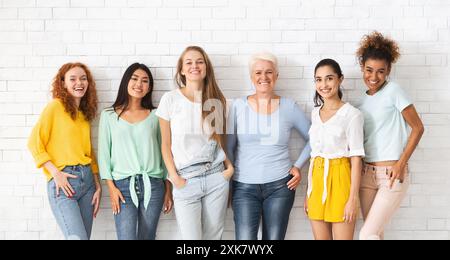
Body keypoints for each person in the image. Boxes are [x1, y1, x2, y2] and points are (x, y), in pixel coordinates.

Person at [227, 52, 311, 240]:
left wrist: (298, 166)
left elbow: (316, 138)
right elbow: (229, 148)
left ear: (276, 76)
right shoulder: (238, 106)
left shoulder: (289, 106)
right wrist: (229, 185)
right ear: (251, 77)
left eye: (269, 72)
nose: (263, 77)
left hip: (280, 186)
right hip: (244, 187)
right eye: (258, 73)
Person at [156, 46, 234, 240]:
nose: (194, 66)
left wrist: (229, 168)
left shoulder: (216, 100)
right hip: (186, 180)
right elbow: (165, 144)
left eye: (199, 61)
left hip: (216, 177)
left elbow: (219, 140)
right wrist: (174, 178)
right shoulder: (170, 99)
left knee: (213, 238)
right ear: (181, 70)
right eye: (188, 62)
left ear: (206, 67)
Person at [356, 31, 425, 240]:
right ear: (362, 67)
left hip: (391, 175)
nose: (374, 77)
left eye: (380, 71)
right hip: (366, 175)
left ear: (388, 71)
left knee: (367, 234)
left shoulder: (394, 91)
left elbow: (418, 128)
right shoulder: (361, 100)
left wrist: (401, 163)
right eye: (369, 70)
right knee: (375, 234)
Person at [98, 63, 173, 240]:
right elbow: (103, 155)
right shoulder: (108, 115)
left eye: (145, 81)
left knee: (147, 237)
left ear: (149, 87)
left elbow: (165, 152)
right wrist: (111, 188)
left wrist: (168, 189)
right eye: (135, 79)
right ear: (126, 81)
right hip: (122, 186)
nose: (139, 84)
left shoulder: (156, 116)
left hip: (154, 185)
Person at [28, 62, 101, 240]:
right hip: (63, 183)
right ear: (63, 83)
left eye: (83, 79)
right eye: (73, 79)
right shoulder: (55, 107)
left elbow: (88, 152)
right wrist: (55, 174)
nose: (79, 83)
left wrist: (98, 184)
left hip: (88, 183)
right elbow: (34, 142)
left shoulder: (83, 114)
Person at [305, 59, 364, 240]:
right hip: (317, 180)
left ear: (340, 79)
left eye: (329, 78)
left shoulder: (352, 115)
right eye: (318, 79)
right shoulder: (315, 113)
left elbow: (356, 158)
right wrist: (309, 191)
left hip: (341, 179)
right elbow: (314, 154)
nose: (323, 85)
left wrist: (352, 199)